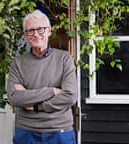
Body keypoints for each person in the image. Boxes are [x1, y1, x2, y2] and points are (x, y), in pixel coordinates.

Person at [7, 9, 78, 144]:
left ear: (49, 31)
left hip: (59, 132)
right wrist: (51, 91)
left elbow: (70, 96)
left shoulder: (64, 59)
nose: (36, 34)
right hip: (26, 132)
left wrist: (35, 106)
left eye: (41, 30)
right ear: (26, 35)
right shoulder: (18, 63)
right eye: (31, 31)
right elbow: (14, 97)